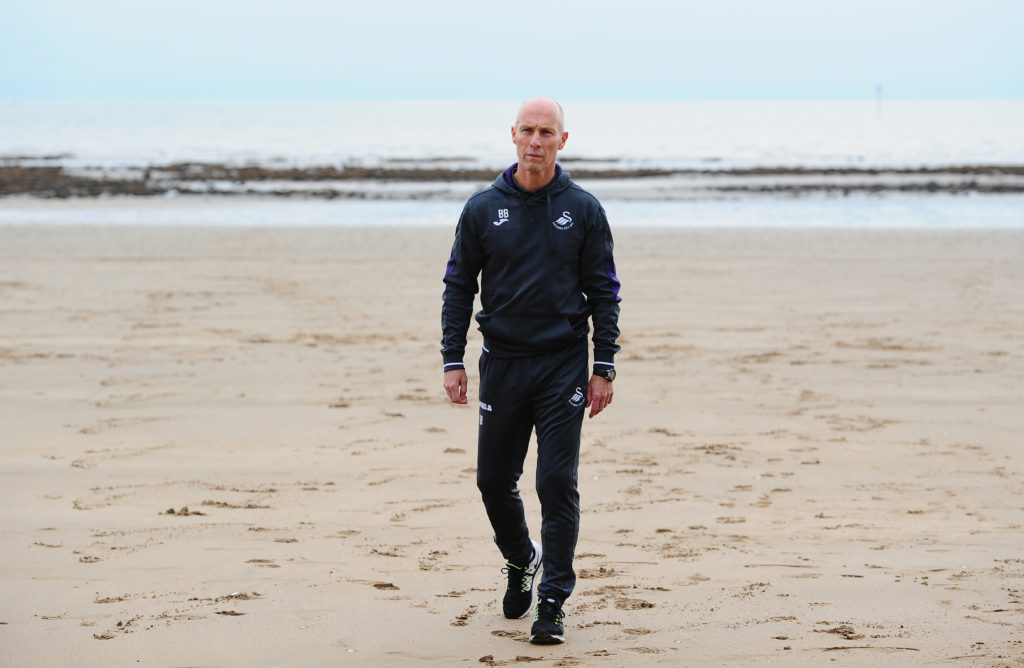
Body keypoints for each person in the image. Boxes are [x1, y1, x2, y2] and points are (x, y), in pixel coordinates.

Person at [440, 97, 621, 644]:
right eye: (528, 131)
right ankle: (522, 559)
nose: (536, 141)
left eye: (547, 132)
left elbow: (604, 290)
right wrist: (453, 357)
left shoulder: (584, 209)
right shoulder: (481, 209)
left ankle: (552, 602)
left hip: (562, 364)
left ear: (563, 141)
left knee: (556, 481)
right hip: (503, 362)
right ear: (512, 136)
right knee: (493, 480)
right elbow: (457, 285)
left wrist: (603, 364)